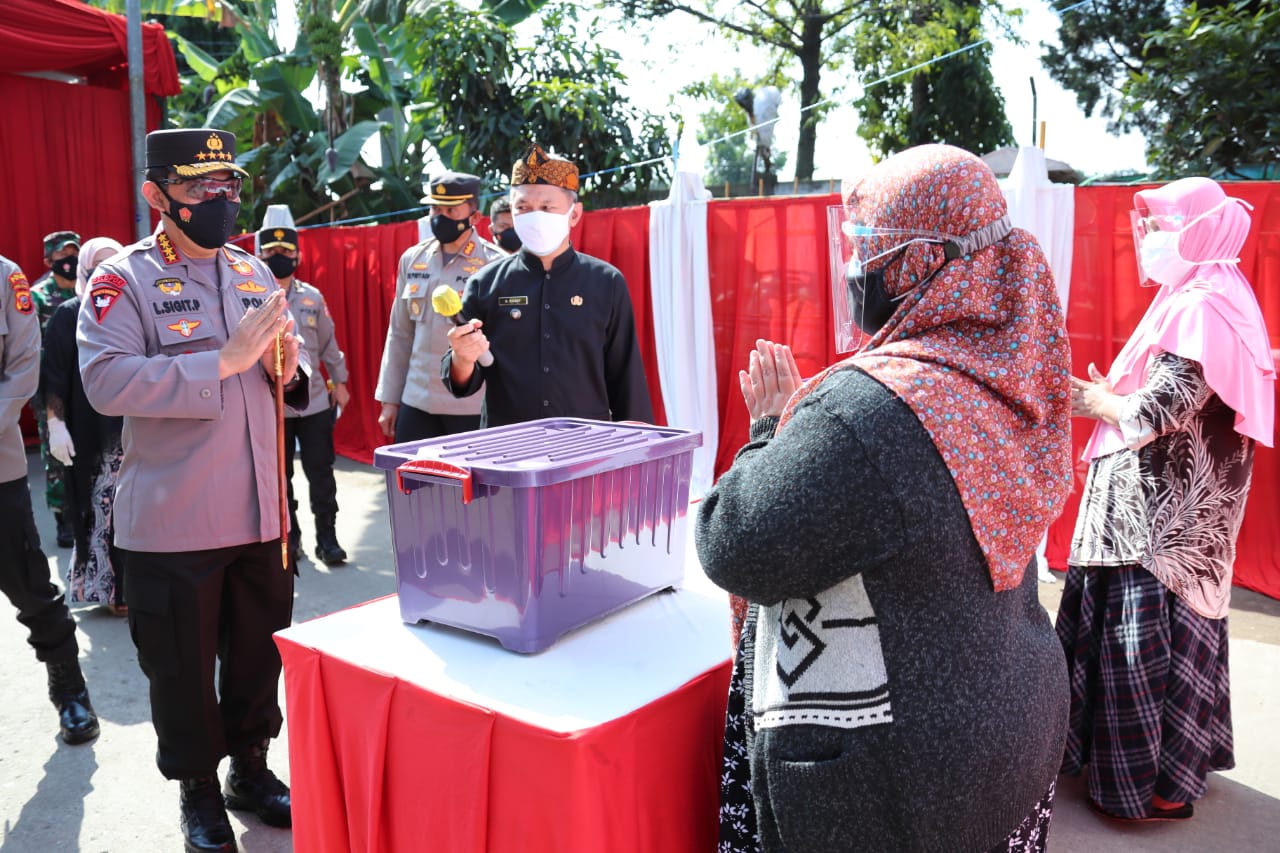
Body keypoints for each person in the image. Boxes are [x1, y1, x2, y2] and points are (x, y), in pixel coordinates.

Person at [695, 144, 1072, 852]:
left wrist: (772, 431)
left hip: (908, 784)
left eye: (864, 244)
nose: (851, 266)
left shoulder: (871, 412)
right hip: (1013, 724)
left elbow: (734, 541)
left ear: (916, 262)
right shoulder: (1010, 369)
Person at [78, 128, 307, 853]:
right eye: (200, 187)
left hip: (261, 511)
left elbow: (283, 386)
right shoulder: (126, 278)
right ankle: (199, 792)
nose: (221, 199)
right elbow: (105, 381)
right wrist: (226, 357)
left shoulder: (252, 272)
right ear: (157, 195)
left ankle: (250, 769)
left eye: (229, 185)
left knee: (256, 659)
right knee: (180, 673)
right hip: (175, 521)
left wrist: (284, 367)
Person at [1057, 177, 1275, 822]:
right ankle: (1171, 779)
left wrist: (1089, 399)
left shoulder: (1200, 305)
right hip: (1184, 525)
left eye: (1162, 224)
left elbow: (1158, 409)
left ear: (1200, 228)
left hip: (1157, 528)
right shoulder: (1216, 295)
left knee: (1139, 647)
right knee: (1183, 644)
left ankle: (1144, 789)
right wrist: (1114, 395)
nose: (1149, 238)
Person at [443, 144, 654, 427]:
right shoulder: (485, 284)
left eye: (546, 207)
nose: (535, 215)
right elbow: (462, 383)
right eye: (523, 208)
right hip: (507, 444)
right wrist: (462, 356)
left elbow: (625, 373)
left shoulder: (606, 282)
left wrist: (637, 443)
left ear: (574, 214)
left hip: (586, 443)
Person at [0, 252, 100, 746]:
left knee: (29, 586)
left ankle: (69, 688)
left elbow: (23, 366)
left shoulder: (5, 278)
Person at [374, 171, 503, 442]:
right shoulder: (413, 259)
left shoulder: (495, 265)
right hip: (417, 400)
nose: (439, 216)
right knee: (410, 482)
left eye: (451, 209)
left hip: (470, 405)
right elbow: (399, 333)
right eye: (434, 208)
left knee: (470, 485)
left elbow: (504, 343)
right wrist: (390, 400)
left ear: (475, 217)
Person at [40, 236, 127, 615]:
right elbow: (54, 377)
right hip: (89, 433)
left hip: (134, 431)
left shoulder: (134, 308)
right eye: (97, 266)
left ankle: (132, 589)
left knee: (135, 513)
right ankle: (107, 589)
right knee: (96, 513)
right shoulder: (68, 314)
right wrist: (56, 424)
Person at [257, 216, 351, 566]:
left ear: (297, 257)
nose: (280, 256)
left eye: (286, 250)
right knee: (280, 479)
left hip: (312, 403)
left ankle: (328, 539)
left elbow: (329, 344)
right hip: (270, 405)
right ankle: (290, 539)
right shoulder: (248, 298)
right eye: (272, 251)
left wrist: (340, 383)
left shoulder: (312, 297)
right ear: (260, 256)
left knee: (321, 474)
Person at [32, 229, 81, 547]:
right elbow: (29, 350)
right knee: (57, 455)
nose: (70, 261)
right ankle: (63, 517)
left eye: (73, 254)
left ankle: (84, 511)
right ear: (49, 260)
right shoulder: (38, 298)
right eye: (62, 256)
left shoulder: (87, 290)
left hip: (85, 385)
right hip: (50, 388)